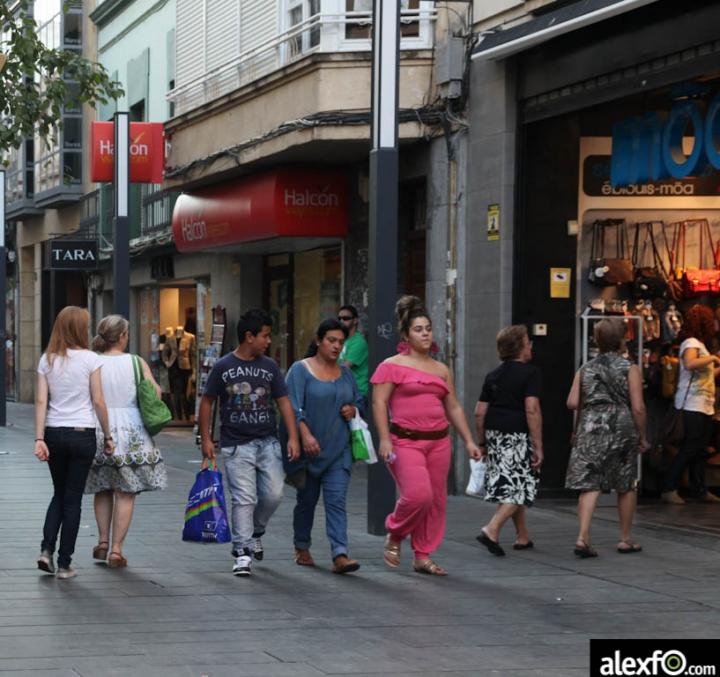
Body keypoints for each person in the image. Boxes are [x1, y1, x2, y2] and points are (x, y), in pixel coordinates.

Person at [371, 296, 481, 576]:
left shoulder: (441, 369)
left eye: (428, 328)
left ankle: (422, 555)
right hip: (404, 441)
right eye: (419, 329)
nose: (425, 334)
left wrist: (468, 440)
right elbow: (379, 403)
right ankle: (395, 533)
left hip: (439, 442)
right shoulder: (391, 365)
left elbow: (453, 405)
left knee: (435, 501)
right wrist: (384, 438)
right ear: (406, 335)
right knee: (418, 495)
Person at [199, 309, 300, 577]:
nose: (268, 341)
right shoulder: (223, 366)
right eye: (265, 336)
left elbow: (284, 401)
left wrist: (292, 436)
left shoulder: (269, 367)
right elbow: (208, 401)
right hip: (236, 444)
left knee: (274, 494)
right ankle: (242, 551)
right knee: (244, 498)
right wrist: (207, 438)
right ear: (249, 336)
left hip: (268, 442)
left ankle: (257, 530)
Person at [34, 306, 114, 579]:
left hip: (54, 433)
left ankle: (46, 550)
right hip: (83, 434)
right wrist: (109, 435)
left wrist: (39, 438)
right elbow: (99, 401)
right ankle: (65, 562)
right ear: (80, 328)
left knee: (59, 493)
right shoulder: (91, 359)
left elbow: (42, 401)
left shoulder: (48, 359)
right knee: (73, 499)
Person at [84, 315, 168, 568]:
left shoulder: (93, 362)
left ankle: (102, 541)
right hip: (131, 430)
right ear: (122, 336)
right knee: (126, 491)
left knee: (103, 487)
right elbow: (156, 392)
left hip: (100, 426)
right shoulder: (135, 362)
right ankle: (117, 550)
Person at [285, 318, 365, 574]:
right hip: (309, 452)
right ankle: (301, 545)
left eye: (341, 342)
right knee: (306, 501)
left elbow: (359, 401)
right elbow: (292, 406)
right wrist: (304, 435)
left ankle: (340, 553)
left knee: (336, 500)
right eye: (331, 340)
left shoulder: (346, 373)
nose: (336, 346)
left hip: (338, 450)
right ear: (318, 340)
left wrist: (353, 409)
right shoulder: (300, 370)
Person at [565, 318, 650, 558]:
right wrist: (642, 436)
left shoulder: (586, 368)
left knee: (590, 481)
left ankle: (583, 537)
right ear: (622, 339)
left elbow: (572, 402)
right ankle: (625, 538)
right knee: (625, 482)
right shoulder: (629, 368)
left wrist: (587, 411)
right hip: (621, 425)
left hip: (591, 425)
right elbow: (638, 407)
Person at [474, 325, 543, 557]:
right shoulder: (530, 373)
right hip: (517, 434)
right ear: (521, 347)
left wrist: (482, 442)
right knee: (522, 486)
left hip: (495, 433)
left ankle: (522, 536)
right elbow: (531, 409)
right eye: (527, 341)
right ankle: (492, 529)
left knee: (510, 485)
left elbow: (479, 412)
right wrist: (538, 445)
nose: (531, 345)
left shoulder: (493, 375)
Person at [661, 305, 720, 505]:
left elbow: (705, 375)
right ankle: (669, 487)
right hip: (691, 403)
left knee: (700, 448)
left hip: (704, 403)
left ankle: (699, 488)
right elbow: (689, 363)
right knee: (690, 446)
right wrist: (712, 357)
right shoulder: (691, 343)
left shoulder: (700, 344)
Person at [338, 304, 369, 397]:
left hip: (357, 392)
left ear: (355, 320)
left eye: (345, 318)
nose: (341, 321)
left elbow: (344, 367)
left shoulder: (359, 342)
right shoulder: (342, 340)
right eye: (339, 318)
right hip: (343, 390)